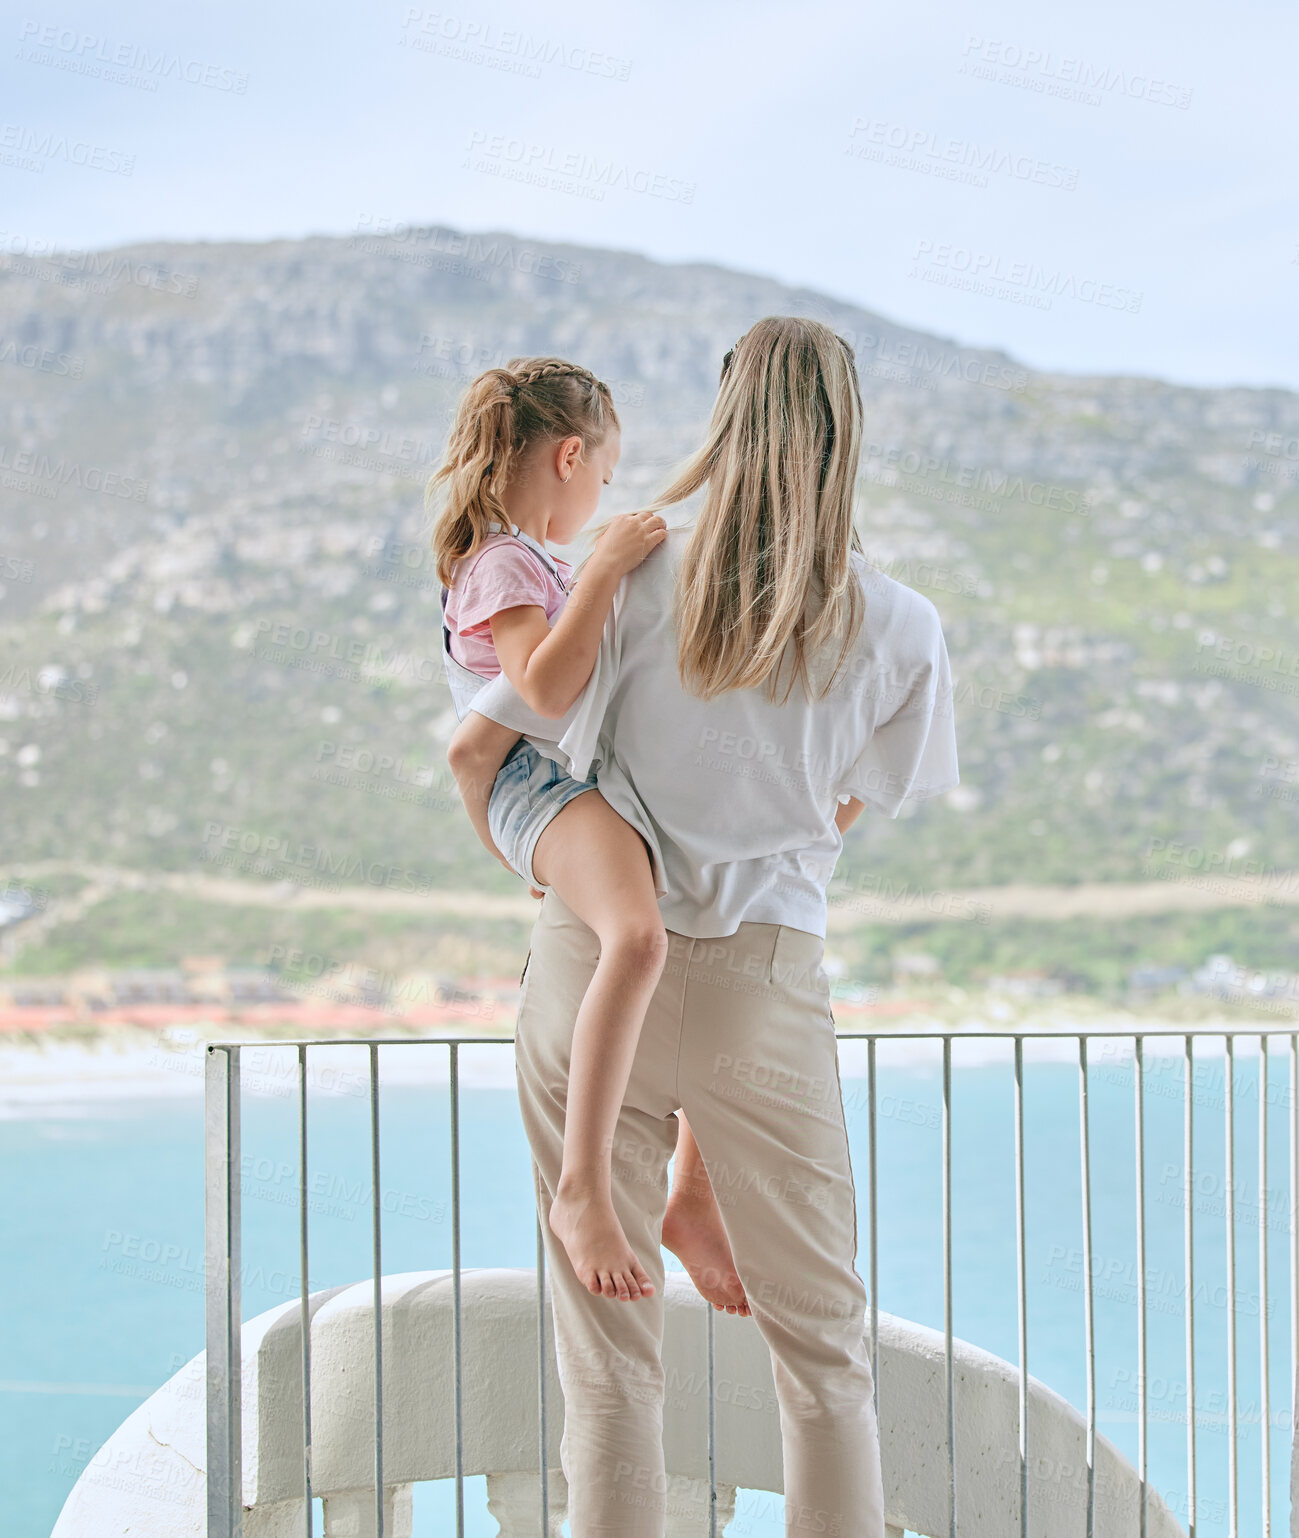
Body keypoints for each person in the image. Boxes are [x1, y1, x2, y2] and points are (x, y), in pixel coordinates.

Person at [463, 316, 960, 1537]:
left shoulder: (622, 573)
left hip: (593, 973)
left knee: (608, 1354)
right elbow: (852, 805)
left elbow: (504, 737)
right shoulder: (900, 625)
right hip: (763, 987)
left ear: (724, 416)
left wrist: (519, 844)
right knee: (822, 1353)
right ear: (848, 431)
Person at [432, 355, 745, 1314]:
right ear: (572, 456)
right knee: (640, 939)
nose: (602, 497)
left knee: (697, 935)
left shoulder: (524, 559)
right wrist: (605, 567)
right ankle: (584, 1190)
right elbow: (544, 689)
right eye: (604, 477)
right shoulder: (504, 562)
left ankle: (688, 1194)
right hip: (539, 781)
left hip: (557, 782)